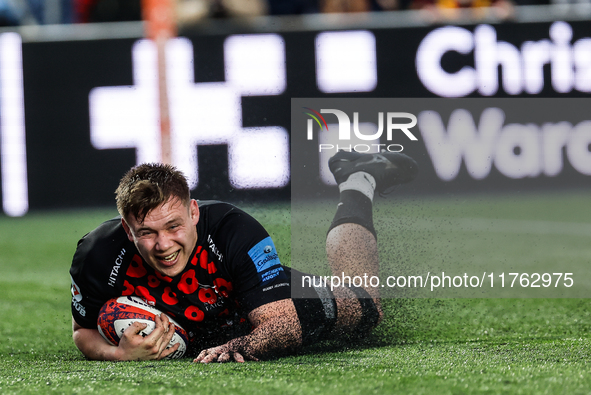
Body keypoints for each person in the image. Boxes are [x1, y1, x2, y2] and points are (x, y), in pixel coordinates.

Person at [69, 150, 417, 362]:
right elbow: (83, 331)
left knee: (368, 304)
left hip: (255, 309)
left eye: (173, 226)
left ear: (193, 213)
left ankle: (359, 179)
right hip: (200, 326)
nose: (163, 244)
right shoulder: (97, 255)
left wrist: (237, 346)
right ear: (128, 230)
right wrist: (118, 354)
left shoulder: (232, 229)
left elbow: (284, 324)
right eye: (147, 232)